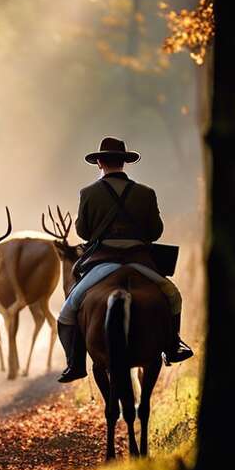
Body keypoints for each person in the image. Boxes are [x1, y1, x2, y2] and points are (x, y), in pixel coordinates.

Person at [57, 137, 192, 383]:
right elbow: (155, 232)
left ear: (99, 162)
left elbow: (84, 233)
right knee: (173, 295)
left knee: (68, 311)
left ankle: (75, 363)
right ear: (124, 162)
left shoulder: (88, 193)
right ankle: (174, 345)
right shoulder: (146, 193)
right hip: (141, 261)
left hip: (101, 262)